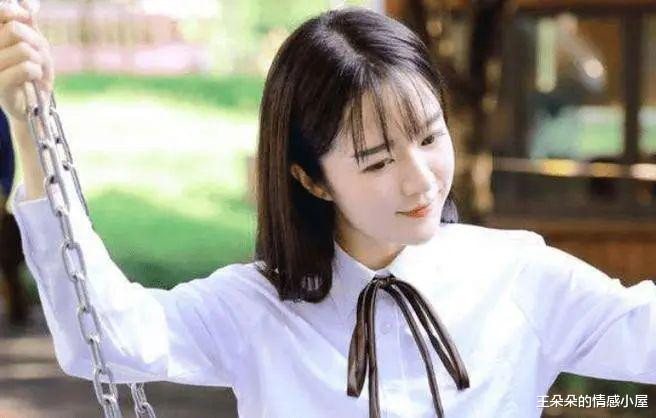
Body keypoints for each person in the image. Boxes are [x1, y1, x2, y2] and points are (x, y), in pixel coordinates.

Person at [1, 3, 655, 418]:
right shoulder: (257, 309)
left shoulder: (516, 277)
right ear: (311, 179)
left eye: (430, 137)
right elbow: (107, 340)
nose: (420, 178)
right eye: (377, 161)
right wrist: (31, 133)